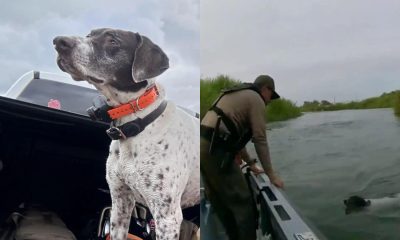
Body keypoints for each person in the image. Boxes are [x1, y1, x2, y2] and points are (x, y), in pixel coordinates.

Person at [200, 74, 284, 240]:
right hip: (216, 150)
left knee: (221, 203)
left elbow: (233, 139)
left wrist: (251, 163)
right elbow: (260, 139)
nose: (269, 101)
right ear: (266, 88)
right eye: (270, 96)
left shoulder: (238, 94)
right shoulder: (256, 99)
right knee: (244, 203)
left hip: (203, 148)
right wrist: (271, 174)